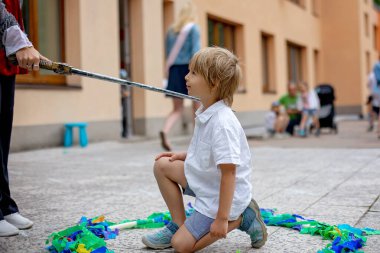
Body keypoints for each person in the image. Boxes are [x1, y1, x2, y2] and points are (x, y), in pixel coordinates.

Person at [141, 47, 267, 252]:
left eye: (193, 73)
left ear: (214, 83)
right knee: (163, 165)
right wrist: (186, 156)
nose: (186, 76)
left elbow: (229, 173)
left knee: (181, 246)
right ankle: (179, 226)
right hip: (208, 182)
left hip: (221, 198)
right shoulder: (205, 110)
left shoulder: (223, 123)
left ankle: (243, 217)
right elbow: (209, 152)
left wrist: (222, 219)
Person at [0, 0, 43, 237]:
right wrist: (18, 40)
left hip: (4, 54)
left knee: (2, 133)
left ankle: (4, 204)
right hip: (7, 41)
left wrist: (22, 42)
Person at [160, 2, 201, 151]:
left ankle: (165, 131)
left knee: (177, 109)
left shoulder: (171, 31)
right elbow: (196, 52)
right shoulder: (194, 29)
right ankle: (197, 139)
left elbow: (167, 52)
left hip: (173, 70)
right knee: (197, 106)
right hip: (189, 69)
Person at [368, 62, 380, 139]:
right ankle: (379, 132)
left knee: (373, 109)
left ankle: (371, 124)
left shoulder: (372, 75)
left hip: (374, 94)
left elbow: (368, 84)